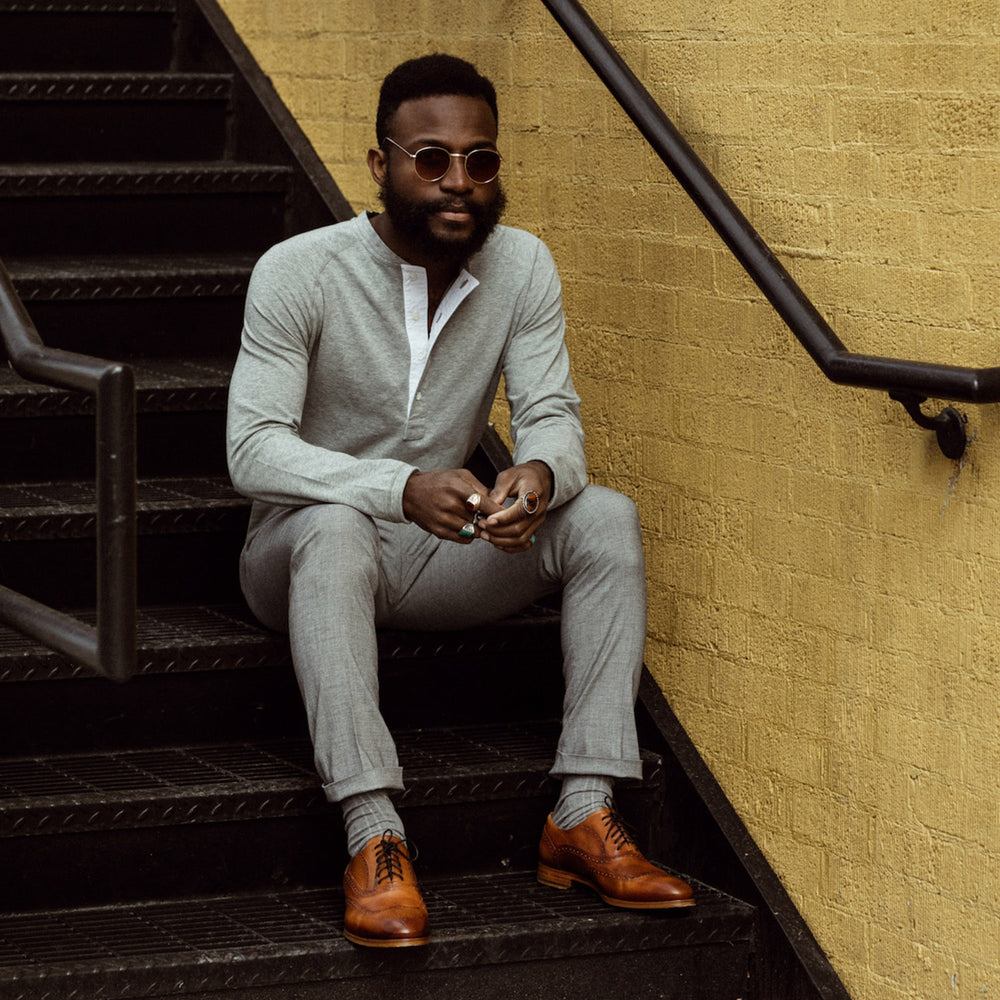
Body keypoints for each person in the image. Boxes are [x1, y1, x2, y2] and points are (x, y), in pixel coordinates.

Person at [226, 53, 694, 949]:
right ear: (380, 163)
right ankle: (374, 835)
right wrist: (395, 487)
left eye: (480, 162)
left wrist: (542, 477)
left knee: (604, 517)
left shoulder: (521, 266)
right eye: (431, 158)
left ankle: (584, 813)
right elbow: (252, 450)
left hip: (436, 549)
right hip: (299, 551)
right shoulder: (298, 270)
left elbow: (550, 412)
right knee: (334, 527)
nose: (458, 183)